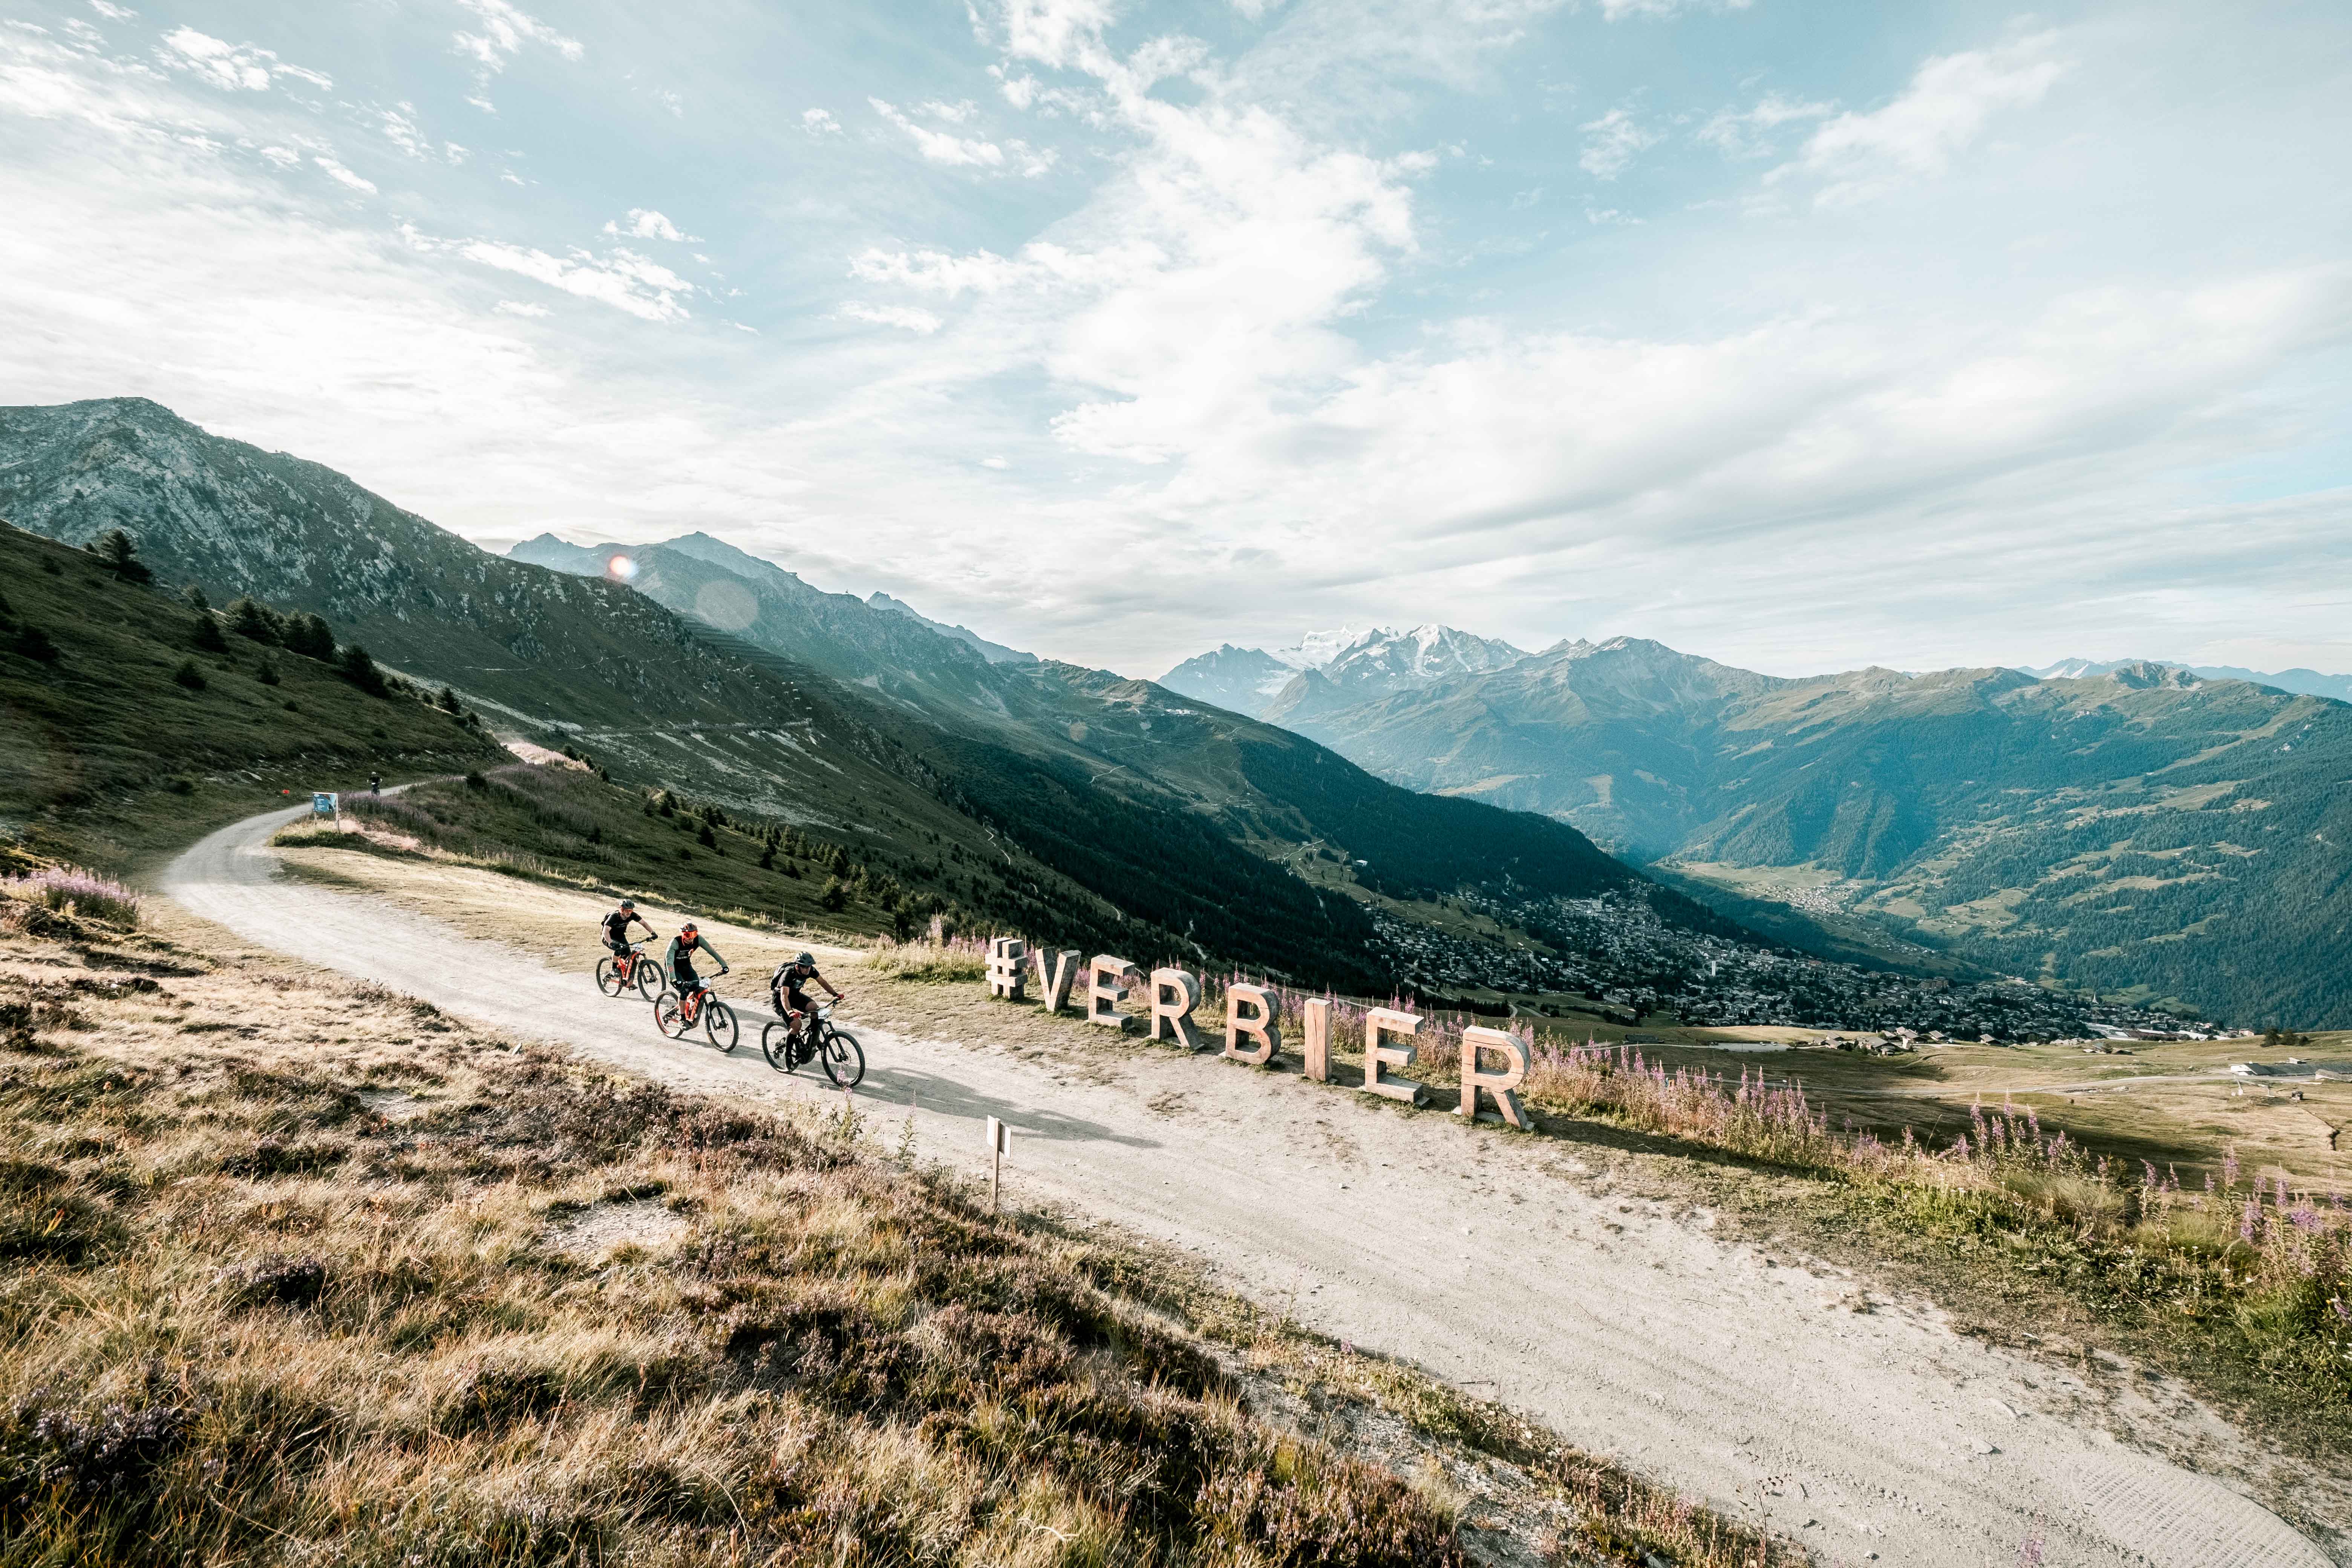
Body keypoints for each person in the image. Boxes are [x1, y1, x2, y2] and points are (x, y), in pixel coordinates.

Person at [770, 950, 842, 1061]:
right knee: (797, 1025)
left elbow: (822, 982)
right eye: (804, 967)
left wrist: (835, 994)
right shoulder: (788, 974)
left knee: (815, 1009)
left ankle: (812, 1041)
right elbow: (784, 996)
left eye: (809, 966)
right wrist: (790, 1012)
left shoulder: (810, 970)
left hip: (794, 996)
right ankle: (788, 1054)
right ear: (798, 966)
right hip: (780, 1001)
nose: (807, 969)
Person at [665, 921, 729, 1018]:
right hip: (674, 969)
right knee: (684, 991)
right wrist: (674, 979)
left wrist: (724, 965)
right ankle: (683, 1018)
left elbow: (712, 951)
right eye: (687, 935)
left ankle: (690, 1009)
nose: (691, 938)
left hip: (687, 967)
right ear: (682, 934)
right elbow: (669, 962)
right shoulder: (675, 943)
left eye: (694, 934)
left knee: (699, 987)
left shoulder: (699, 940)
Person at [602, 897, 654, 970]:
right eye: (627, 911)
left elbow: (644, 923)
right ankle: (614, 969)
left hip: (621, 936)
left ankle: (624, 978)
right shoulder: (614, 917)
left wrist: (653, 933)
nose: (629, 912)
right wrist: (611, 942)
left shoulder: (632, 915)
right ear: (622, 910)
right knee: (619, 949)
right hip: (609, 937)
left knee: (628, 957)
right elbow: (606, 930)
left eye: (631, 910)